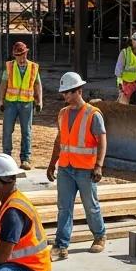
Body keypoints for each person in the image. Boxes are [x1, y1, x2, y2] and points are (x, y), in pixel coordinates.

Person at [47, 72, 106, 259]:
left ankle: (99, 236)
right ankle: (61, 245)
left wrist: (98, 165)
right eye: (64, 92)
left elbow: (102, 141)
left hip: (86, 169)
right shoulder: (63, 113)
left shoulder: (93, 114)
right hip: (65, 168)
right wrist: (52, 163)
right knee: (64, 207)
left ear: (79, 91)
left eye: (68, 92)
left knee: (91, 205)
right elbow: (60, 140)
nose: (65, 96)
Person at [0, 42, 42, 169]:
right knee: (7, 130)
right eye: (19, 56)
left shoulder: (33, 67)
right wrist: (0, 101)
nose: (22, 59)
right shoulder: (9, 67)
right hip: (10, 103)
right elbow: (3, 84)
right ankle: (6, 157)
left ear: (26, 54)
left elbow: (37, 84)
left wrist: (39, 101)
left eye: (24, 56)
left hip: (26, 104)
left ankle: (25, 159)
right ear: (15, 56)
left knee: (26, 131)